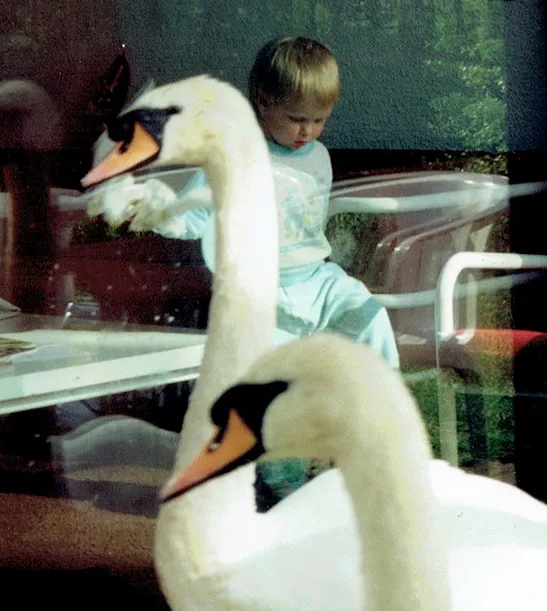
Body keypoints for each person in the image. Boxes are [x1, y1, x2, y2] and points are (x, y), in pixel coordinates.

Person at [152, 37, 400, 369]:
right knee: (270, 373)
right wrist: (155, 212)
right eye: (297, 118)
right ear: (264, 103)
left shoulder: (320, 157)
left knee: (371, 318)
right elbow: (194, 215)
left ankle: (383, 409)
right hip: (262, 291)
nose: (307, 131)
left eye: (319, 119)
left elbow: (309, 225)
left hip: (318, 280)